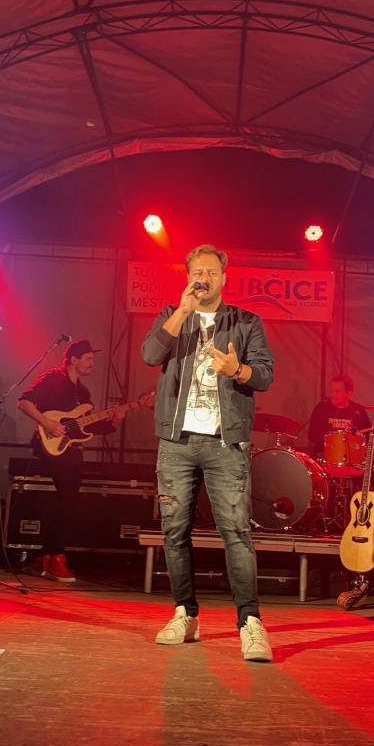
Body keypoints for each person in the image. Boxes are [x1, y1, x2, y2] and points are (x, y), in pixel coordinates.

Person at [142, 244, 275, 661]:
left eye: (212, 272)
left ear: (223, 278)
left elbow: (265, 375)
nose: (204, 278)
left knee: (235, 532)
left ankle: (250, 622)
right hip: (176, 443)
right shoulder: (172, 316)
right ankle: (185, 613)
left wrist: (237, 370)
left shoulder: (246, 322)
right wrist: (182, 312)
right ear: (187, 277)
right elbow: (150, 355)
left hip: (225, 442)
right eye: (198, 272)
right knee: (174, 531)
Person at [17, 339, 127, 583]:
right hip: (50, 445)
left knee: (67, 502)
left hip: (71, 450)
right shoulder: (53, 379)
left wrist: (115, 420)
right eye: (88, 358)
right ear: (73, 359)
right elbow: (24, 402)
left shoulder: (83, 393)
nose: (92, 363)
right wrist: (48, 423)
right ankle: (55, 557)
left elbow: (88, 428)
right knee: (68, 501)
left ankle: (45, 558)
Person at [308, 374, 371, 458]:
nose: (332, 394)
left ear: (349, 393)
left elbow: (368, 436)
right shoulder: (321, 409)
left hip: (350, 456)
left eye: (337, 391)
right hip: (325, 455)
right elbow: (312, 436)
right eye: (332, 391)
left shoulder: (359, 410)